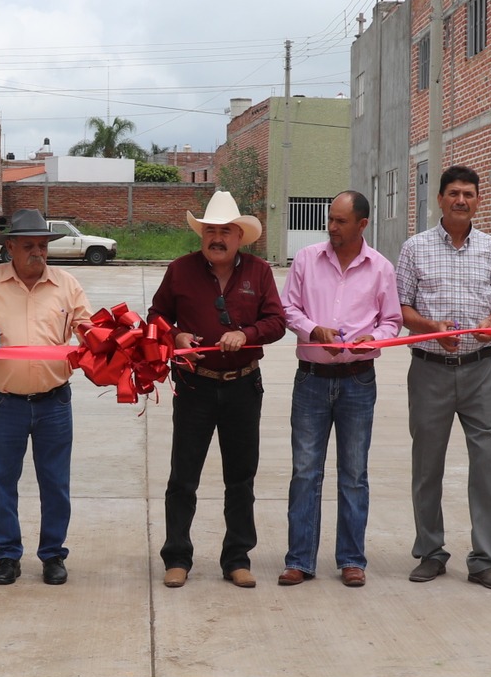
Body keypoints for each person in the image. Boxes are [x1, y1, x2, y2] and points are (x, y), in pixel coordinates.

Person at [0, 209, 93, 586]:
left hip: (54, 402)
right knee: (1, 481)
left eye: (42, 245)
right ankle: (7, 555)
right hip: (4, 402)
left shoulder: (66, 284)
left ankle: (53, 555)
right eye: (28, 246)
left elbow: (87, 324)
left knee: (55, 483)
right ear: (10, 247)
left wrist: (100, 339)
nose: (37, 253)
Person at [150, 189, 286, 589]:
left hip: (243, 386)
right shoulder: (180, 270)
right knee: (183, 477)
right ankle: (177, 557)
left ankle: (237, 558)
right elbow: (156, 315)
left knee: (241, 478)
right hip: (195, 386)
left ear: (239, 236)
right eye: (210, 230)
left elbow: (277, 322)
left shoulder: (259, 272)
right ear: (201, 234)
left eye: (225, 230)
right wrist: (175, 337)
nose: (217, 238)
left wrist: (246, 335)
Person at [396, 165, 491, 592]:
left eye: (469, 193)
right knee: (427, 466)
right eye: (453, 193)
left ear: (479, 200)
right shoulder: (415, 248)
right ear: (440, 199)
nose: (461, 200)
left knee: (486, 466)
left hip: (482, 370)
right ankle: (430, 552)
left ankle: (485, 559)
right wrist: (431, 328)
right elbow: (402, 309)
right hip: (430, 370)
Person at [279, 191, 401, 587]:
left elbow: (392, 320)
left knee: (353, 474)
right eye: (330, 219)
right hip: (312, 378)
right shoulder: (306, 259)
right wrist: (313, 329)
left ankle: (352, 559)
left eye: (341, 221)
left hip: (357, 380)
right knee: (305, 472)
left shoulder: (381, 268)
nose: (332, 227)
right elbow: (288, 309)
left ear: (362, 224)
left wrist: (373, 339)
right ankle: (299, 559)